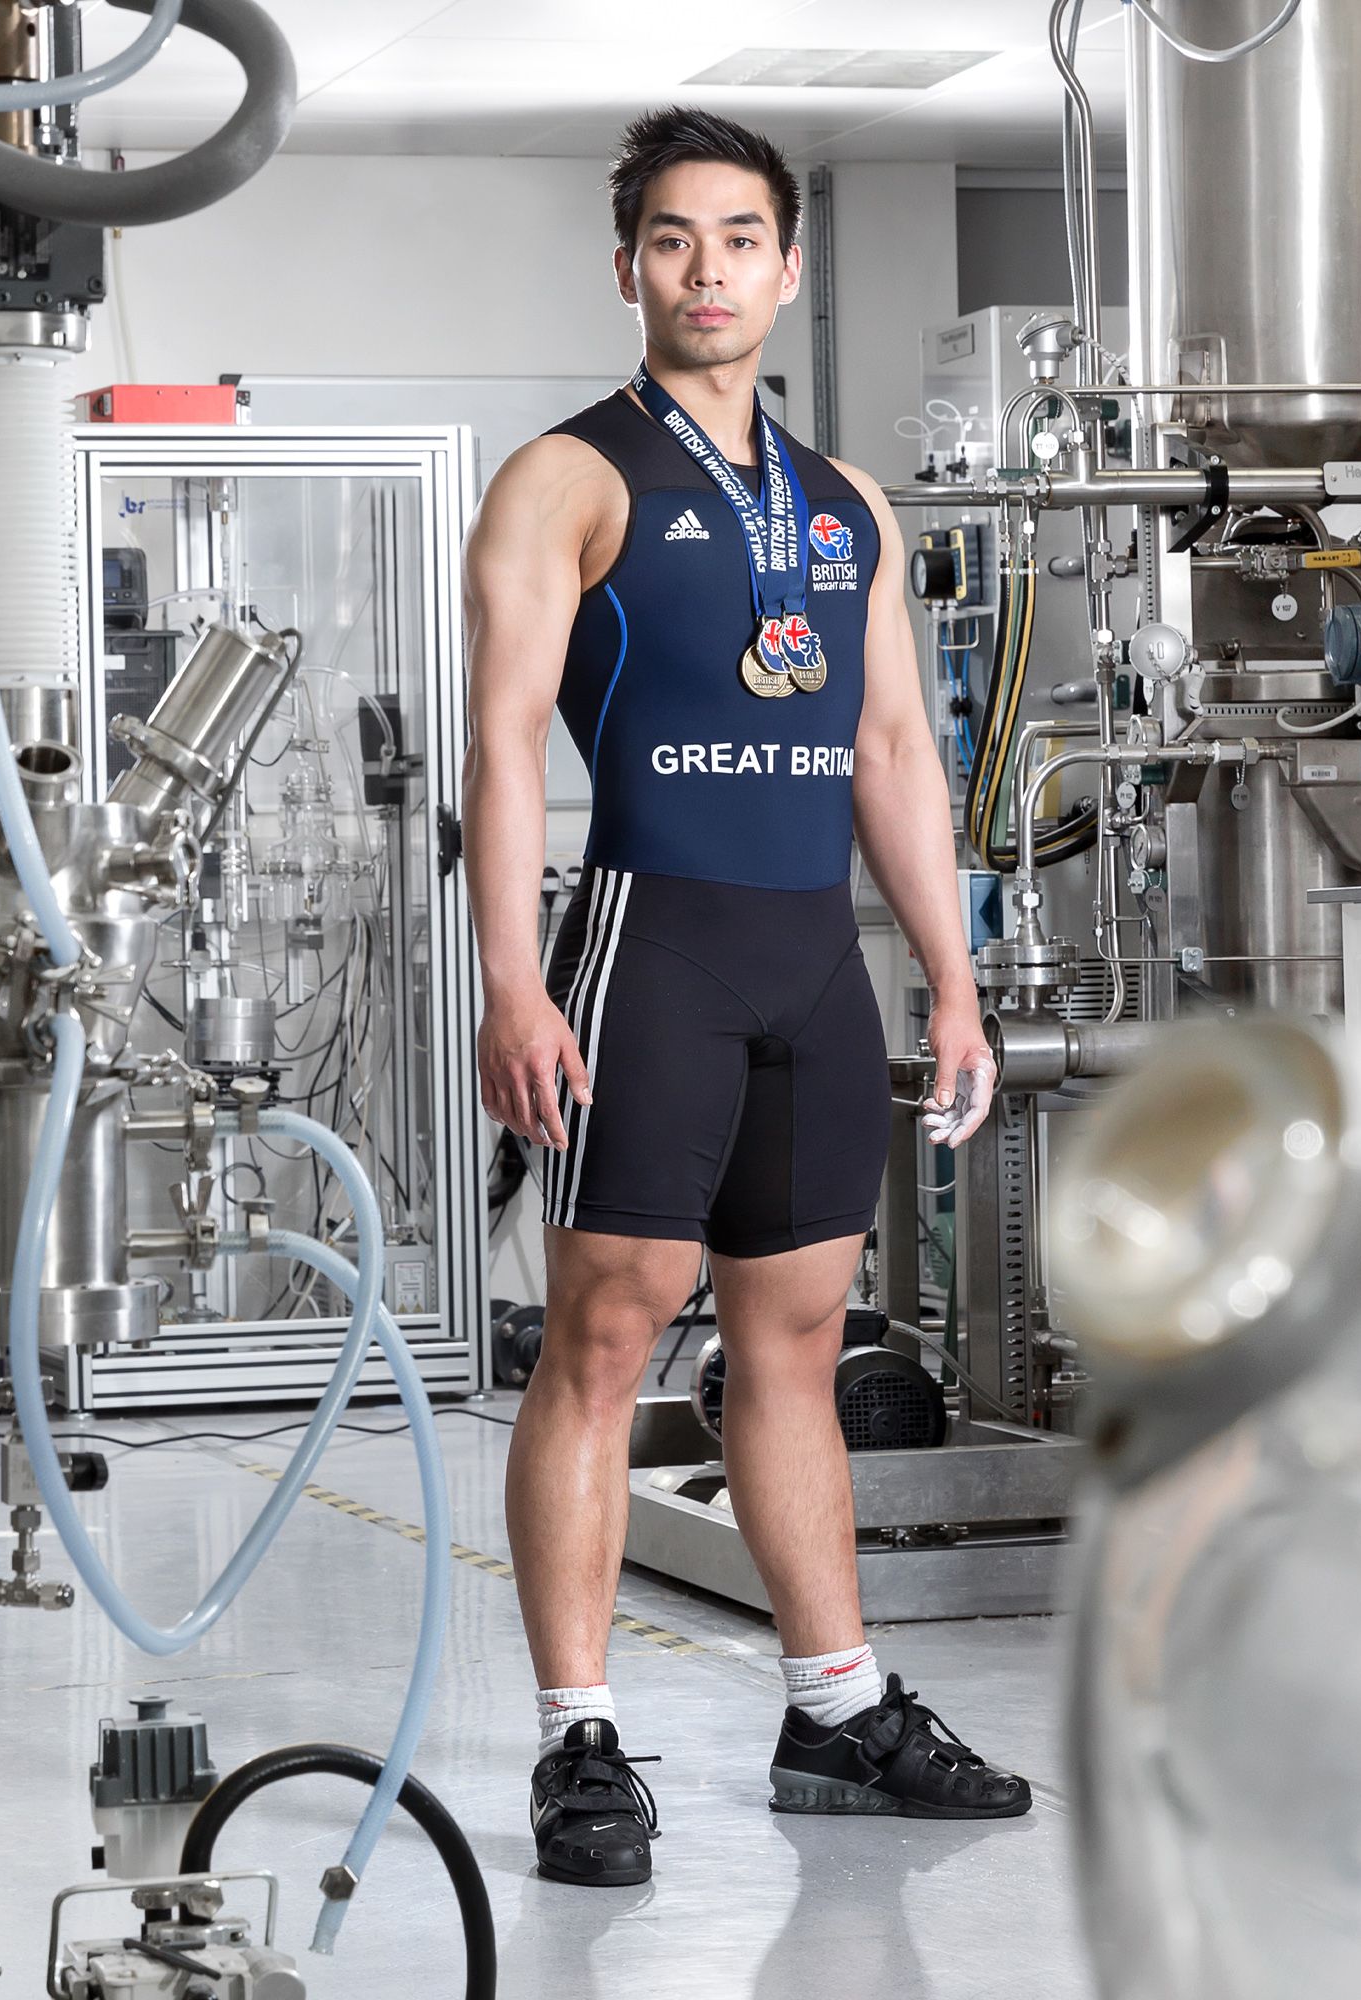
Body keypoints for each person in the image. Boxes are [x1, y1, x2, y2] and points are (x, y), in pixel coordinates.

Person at [460, 105, 1025, 1890]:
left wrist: (951, 976)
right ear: (628, 265)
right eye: (673, 241)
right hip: (652, 949)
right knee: (609, 1346)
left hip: (809, 962)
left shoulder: (843, 500)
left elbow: (891, 752)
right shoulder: (570, 477)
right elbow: (499, 748)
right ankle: (577, 1745)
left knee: (794, 1349)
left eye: (741, 241)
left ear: (790, 266)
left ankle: (838, 1710)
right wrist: (506, 980)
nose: (709, 272)